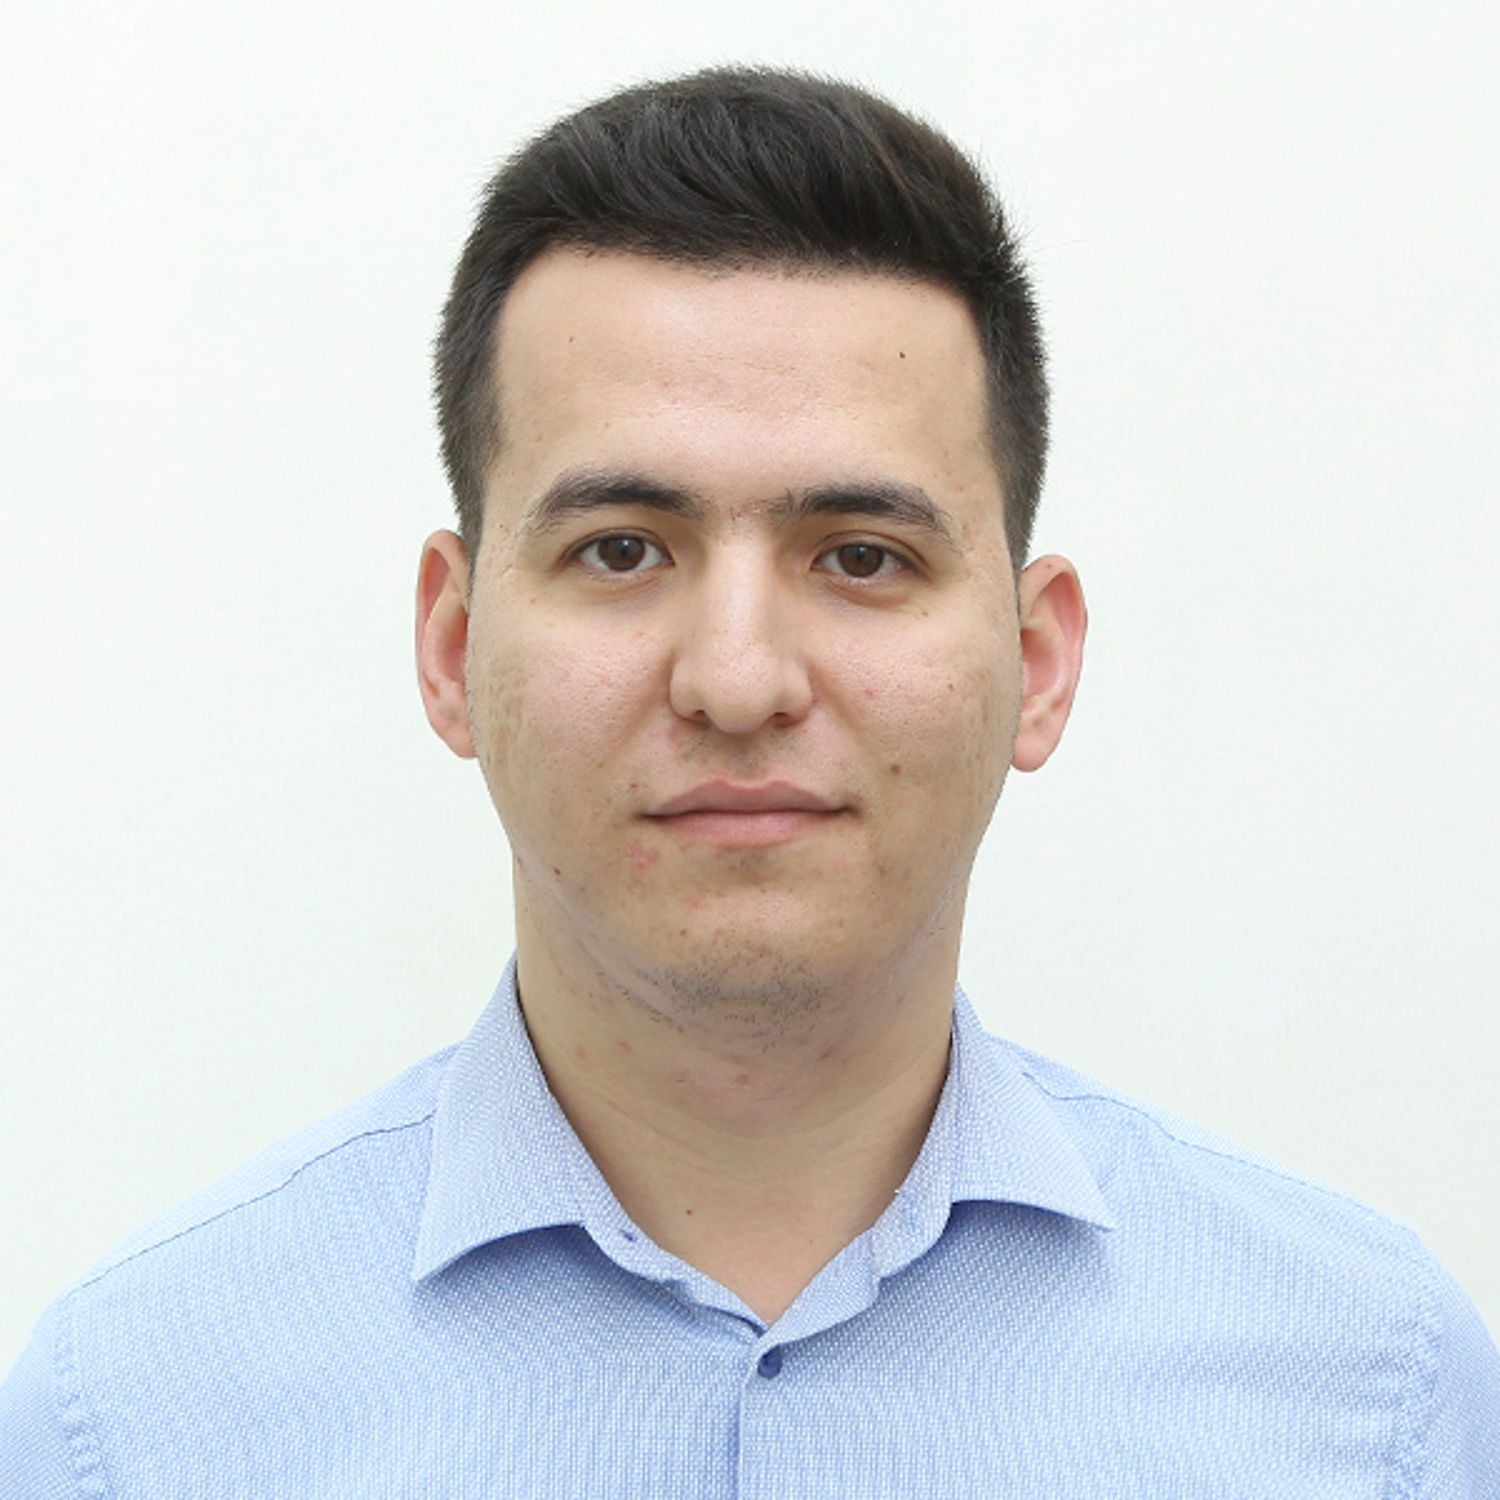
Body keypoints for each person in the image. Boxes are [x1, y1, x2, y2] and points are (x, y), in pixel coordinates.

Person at [2, 65, 1496, 1498]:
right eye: (621, 550)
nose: (736, 679)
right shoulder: (124, 1427)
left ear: (1036, 664)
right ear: (452, 648)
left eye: (862, 557)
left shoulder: (1371, 1395)